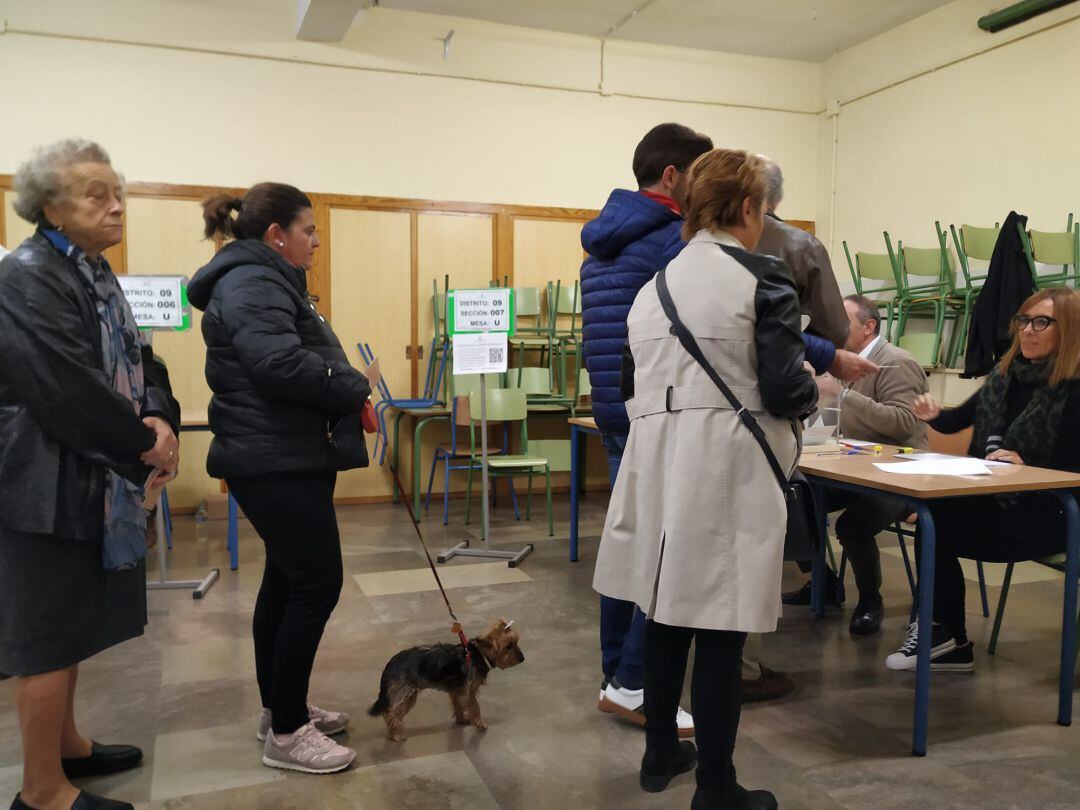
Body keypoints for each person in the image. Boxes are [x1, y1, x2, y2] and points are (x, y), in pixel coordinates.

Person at [594, 149, 817, 810]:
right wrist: (810, 392)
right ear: (749, 208)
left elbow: (632, 384)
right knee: (721, 629)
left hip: (656, 463)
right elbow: (782, 387)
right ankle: (718, 787)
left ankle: (661, 750)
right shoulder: (762, 276)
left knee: (664, 612)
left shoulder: (649, 290)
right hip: (726, 466)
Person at [0, 139, 180, 810]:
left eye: (118, 193)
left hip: (83, 471)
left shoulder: (92, 270)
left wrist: (159, 413)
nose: (115, 207)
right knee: (45, 637)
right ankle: (41, 791)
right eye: (95, 195)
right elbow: (65, 390)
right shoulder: (26, 275)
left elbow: (143, 358)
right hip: (36, 483)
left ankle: (67, 747)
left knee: (70, 623)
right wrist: (148, 448)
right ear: (48, 207)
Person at [189, 184, 373, 774]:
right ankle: (289, 734)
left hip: (282, 453)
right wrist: (352, 384)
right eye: (309, 230)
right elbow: (278, 364)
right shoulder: (255, 280)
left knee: (288, 582)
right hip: (274, 458)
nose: (316, 240)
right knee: (318, 583)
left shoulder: (264, 278)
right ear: (277, 235)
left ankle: (280, 709)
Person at [581, 122, 712, 735]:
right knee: (660, 552)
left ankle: (617, 677)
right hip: (656, 413)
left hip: (613, 406)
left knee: (626, 543)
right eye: (699, 173)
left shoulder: (603, 241)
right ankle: (634, 682)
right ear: (672, 176)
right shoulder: (670, 239)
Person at [886, 288, 1080, 672]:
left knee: (936, 521)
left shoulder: (1074, 388)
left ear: (1070, 330)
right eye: (1023, 321)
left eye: (1041, 322)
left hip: (1055, 514)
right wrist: (933, 413)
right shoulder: (1005, 376)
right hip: (1002, 501)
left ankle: (942, 635)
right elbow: (957, 419)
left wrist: (1029, 467)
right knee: (934, 514)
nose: (1028, 331)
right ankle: (942, 634)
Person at [782, 295, 929, 635]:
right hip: (855, 465)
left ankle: (870, 600)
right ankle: (824, 582)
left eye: (842, 320)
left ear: (868, 326)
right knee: (794, 502)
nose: (833, 327)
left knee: (853, 526)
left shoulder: (895, 362)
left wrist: (844, 394)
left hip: (901, 474)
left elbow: (904, 424)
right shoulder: (839, 363)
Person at [755, 158, 850, 348]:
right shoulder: (804, 246)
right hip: (781, 365)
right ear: (777, 198)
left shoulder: (707, 242)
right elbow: (835, 332)